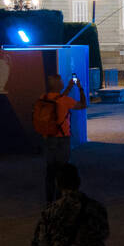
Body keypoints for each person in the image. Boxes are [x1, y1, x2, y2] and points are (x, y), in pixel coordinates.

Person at [17, 163, 109, 246]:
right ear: (78, 182)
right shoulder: (97, 208)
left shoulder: (52, 211)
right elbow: (104, 234)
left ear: (58, 184)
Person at [33, 73, 86, 203]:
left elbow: (59, 99)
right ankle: (59, 200)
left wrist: (68, 87)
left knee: (50, 171)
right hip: (62, 139)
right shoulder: (64, 101)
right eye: (61, 82)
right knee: (62, 171)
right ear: (58, 85)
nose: (62, 83)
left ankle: (49, 201)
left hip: (48, 137)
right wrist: (80, 88)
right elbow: (83, 105)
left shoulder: (43, 97)